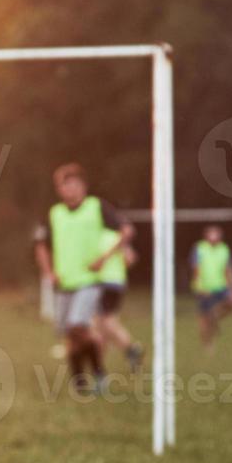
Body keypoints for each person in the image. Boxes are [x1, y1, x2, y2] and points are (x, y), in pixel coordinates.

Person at [34, 163, 134, 392]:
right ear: (59, 189)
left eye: (75, 184)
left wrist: (104, 257)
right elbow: (41, 245)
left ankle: (98, 375)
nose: (71, 189)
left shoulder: (96, 207)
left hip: (89, 281)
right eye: (65, 185)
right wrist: (49, 272)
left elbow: (126, 230)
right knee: (70, 334)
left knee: (77, 325)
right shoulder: (54, 213)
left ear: (83, 186)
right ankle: (81, 380)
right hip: (64, 282)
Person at [89, 226, 146, 373]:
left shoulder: (94, 235)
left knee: (102, 323)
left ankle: (131, 349)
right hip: (117, 284)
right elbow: (130, 259)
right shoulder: (116, 236)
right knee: (103, 326)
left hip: (102, 283)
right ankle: (99, 369)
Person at [191, 224, 232, 351]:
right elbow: (195, 269)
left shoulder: (224, 249)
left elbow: (228, 270)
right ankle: (207, 344)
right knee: (204, 318)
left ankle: (215, 315)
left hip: (220, 286)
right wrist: (199, 286)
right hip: (204, 287)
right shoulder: (200, 248)